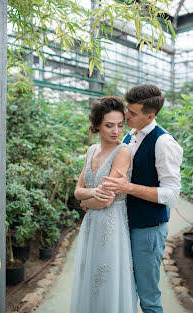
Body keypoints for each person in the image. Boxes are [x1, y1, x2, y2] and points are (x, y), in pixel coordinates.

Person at [93, 85, 183, 313]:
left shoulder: (163, 143)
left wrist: (129, 187)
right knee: (125, 290)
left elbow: (172, 194)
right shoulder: (129, 134)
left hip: (148, 229)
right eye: (127, 110)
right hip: (124, 225)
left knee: (148, 297)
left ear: (150, 116)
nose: (125, 116)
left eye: (132, 113)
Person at [69, 96, 138, 313]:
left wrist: (86, 200)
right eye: (109, 125)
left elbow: (107, 200)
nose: (116, 131)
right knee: (88, 276)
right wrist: (90, 196)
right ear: (97, 124)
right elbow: (77, 191)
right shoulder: (91, 151)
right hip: (91, 225)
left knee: (106, 280)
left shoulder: (123, 151)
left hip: (111, 226)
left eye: (120, 125)